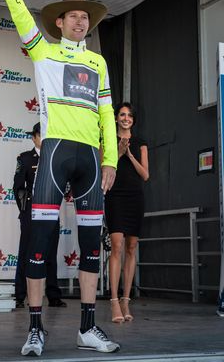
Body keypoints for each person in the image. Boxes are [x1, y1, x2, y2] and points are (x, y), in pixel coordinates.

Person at [0, 0, 119, 357]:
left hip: (90, 160)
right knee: (40, 245)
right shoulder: (43, 52)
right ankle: (34, 329)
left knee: (89, 250)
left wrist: (112, 160)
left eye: (85, 17)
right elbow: (16, 9)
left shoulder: (97, 63)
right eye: (73, 17)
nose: (80, 22)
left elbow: (106, 115)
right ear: (59, 23)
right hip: (54, 156)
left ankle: (87, 328)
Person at [13, 122, 67, 309]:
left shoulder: (56, 158)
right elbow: (18, 187)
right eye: (41, 134)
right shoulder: (25, 158)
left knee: (51, 253)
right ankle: (20, 295)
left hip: (51, 211)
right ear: (34, 137)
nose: (45, 138)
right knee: (26, 252)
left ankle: (53, 296)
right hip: (31, 211)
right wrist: (25, 211)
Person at [104, 102, 149, 323]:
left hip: (135, 198)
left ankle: (125, 300)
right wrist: (119, 153)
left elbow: (145, 175)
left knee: (131, 248)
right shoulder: (107, 140)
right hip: (115, 196)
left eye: (129, 115)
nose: (126, 118)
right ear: (116, 118)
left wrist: (130, 155)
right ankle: (113, 301)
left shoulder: (141, 143)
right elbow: (104, 166)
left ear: (133, 119)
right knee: (117, 246)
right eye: (122, 114)